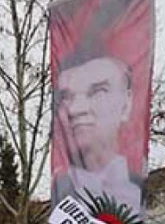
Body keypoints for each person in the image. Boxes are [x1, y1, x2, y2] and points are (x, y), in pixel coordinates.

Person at [51, 46, 144, 215]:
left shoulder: (144, 190)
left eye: (98, 92)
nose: (75, 109)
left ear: (126, 103)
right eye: (65, 97)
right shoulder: (58, 192)